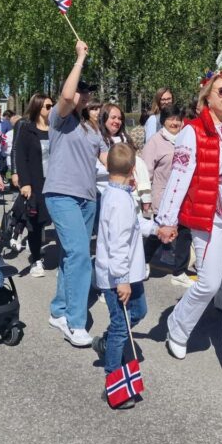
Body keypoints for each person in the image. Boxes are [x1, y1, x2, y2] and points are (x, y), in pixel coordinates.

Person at [156, 70, 222, 382]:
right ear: (207, 96)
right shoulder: (192, 131)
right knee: (208, 283)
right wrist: (167, 220)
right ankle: (177, 328)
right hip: (210, 213)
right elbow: (178, 178)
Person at [45, 40, 108, 348]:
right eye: (82, 89)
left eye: (89, 90)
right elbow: (67, 95)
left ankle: (58, 309)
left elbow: (108, 161)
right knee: (82, 255)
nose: (85, 94)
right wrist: (80, 58)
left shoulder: (92, 128)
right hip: (61, 194)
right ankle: (75, 322)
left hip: (88, 198)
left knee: (73, 256)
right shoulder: (60, 119)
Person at [94, 144, 156, 409]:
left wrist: (157, 229)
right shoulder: (117, 201)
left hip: (131, 272)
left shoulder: (119, 194)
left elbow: (134, 225)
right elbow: (118, 244)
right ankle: (113, 384)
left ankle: (106, 341)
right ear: (133, 170)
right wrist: (121, 280)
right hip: (118, 276)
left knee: (139, 311)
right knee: (121, 326)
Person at [141, 104, 193, 287]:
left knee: (185, 233)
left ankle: (179, 271)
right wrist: (144, 197)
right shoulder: (156, 141)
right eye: (171, 118)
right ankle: (144, 261)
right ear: (163, 120)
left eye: (178, 119)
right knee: (159, 233)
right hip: (162, 195)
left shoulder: (186, 138)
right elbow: (145, 170)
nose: (175, 122)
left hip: (184, 195)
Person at [12, 93, 53, 277]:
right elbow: (21, 158)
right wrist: (25, 183)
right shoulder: (27, 129)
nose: (51, 109)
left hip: (56, 182)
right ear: (38, 108)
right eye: (48, 106)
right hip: (36, 182)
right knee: (36, 223)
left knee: (56, 222)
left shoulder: (56, 129)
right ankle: (36, 259)